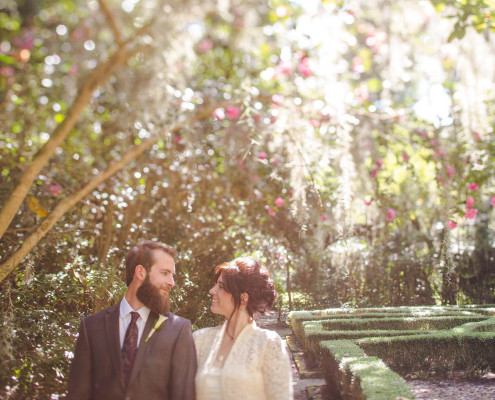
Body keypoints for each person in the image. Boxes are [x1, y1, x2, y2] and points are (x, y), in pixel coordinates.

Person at [67, 240, 197, 400]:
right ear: (141, 272)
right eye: (165, 273)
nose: (172, 282)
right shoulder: (91, 326)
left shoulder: (178, 329)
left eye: (172, 275)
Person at [193, 256, 293, 400]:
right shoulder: (200, 339)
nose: (211, 291)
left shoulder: (268, 344)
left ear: (243, 298)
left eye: (220, 287)